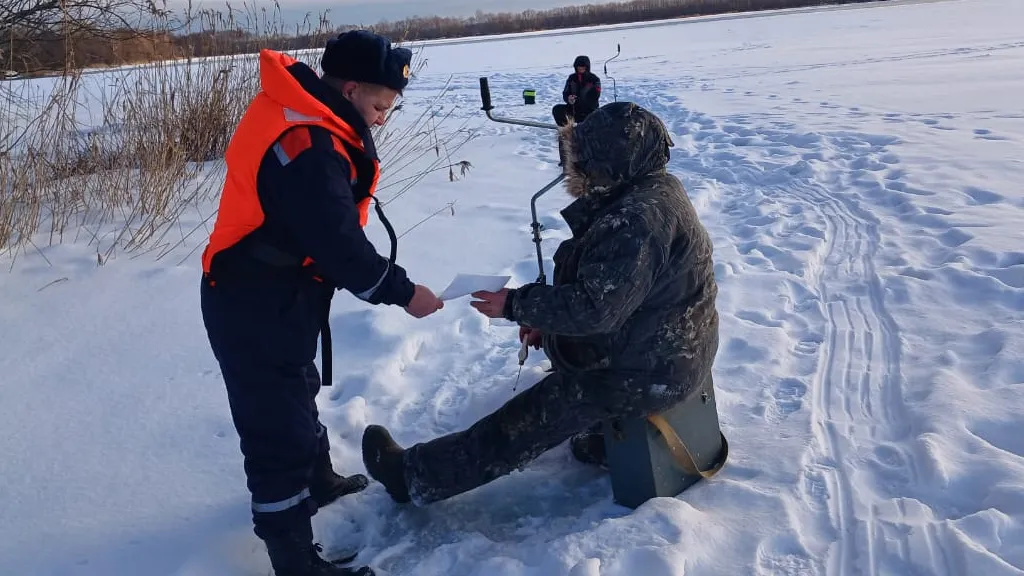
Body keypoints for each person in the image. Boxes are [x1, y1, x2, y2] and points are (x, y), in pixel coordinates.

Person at [360, 102, 720, 507]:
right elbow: (622, 294)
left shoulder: (637, 220)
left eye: (585, 159)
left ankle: (413, 477)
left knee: (525, 422)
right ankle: (603, 442)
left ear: (612, 160)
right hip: (671, 348)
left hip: (648, 370)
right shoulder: (653, 189)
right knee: (571, 374)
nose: (575, 167)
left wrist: (516, 304)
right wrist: (550, 325)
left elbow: (595, 309)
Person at [199, 30, 444, 576]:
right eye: (380, 105)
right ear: (351, 88)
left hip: (279, 293)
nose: (382, 118)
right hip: (251, 300)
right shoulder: (307, 145)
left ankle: (318, 481)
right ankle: (293, 559)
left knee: (297, 388)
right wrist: (405, 293)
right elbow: (340, 247)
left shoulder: (306, 112)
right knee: (276, 430)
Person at [551, 55, 602, 128]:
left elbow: (595, 96)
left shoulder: (594, 79)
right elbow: (565, 93)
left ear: (587, 67)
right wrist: (569, 99)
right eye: (579, 66)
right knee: (557, 109)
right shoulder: (571, 78)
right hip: (573, 110)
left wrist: (579, 100)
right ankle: (566, 131)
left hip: (589, 112)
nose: (580, 68)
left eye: (583, 66)